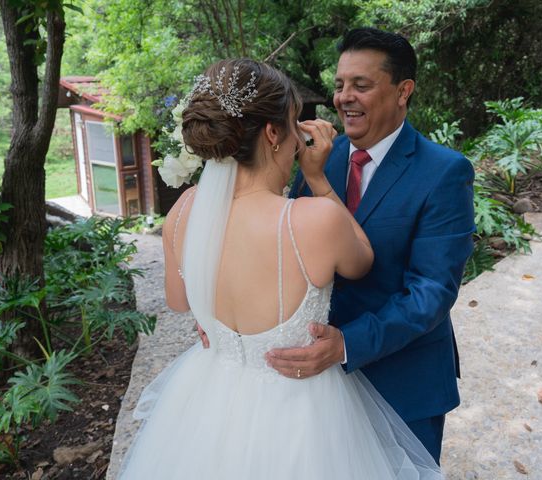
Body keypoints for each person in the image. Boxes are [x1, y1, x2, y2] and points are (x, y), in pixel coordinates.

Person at [118, 58, 443, 479]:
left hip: (209, 401)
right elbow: (362, 260)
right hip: (299, 410)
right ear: (273, 133)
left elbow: (180, 302)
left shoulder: (181, 211)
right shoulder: (311, 220)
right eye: (293, 122)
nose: (297, 135)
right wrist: (320, 179)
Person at [266, 27, 475, 464]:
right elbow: (285, 249)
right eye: (340, 84)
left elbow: (431, 292)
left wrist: (345, 345)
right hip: (320, 389)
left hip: (404, 381)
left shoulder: (445, 172)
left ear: (403, 91)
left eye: (361, 85)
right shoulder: (318, 160)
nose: (344, 97)